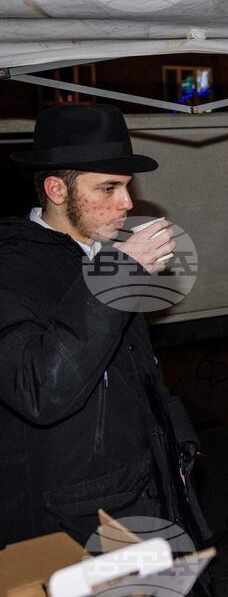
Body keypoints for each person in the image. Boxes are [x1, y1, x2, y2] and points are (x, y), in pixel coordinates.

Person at [0, 104, 209, 547]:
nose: (127, 203)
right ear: (57, 190)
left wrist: (177, 445)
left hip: (143, 495)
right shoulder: (11, 268)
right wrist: (119, 276)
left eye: (127, 186)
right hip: (76, 523)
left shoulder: (104, 257)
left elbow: (137, 374)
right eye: (108, 187)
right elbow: (40, 388)